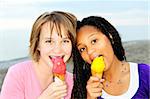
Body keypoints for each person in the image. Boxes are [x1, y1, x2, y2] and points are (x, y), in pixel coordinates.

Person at [0, 11, 78, 99]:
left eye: (65, 41)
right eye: (49, 41)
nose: (57, 50)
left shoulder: (73, 82)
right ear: (37, 44)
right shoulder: (17, 74)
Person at [71, 16, 150, 99]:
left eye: (94, 41)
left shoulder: (145, 74)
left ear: (110, 36)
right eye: (82, 49)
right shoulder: (81, 87)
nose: (90, 51)